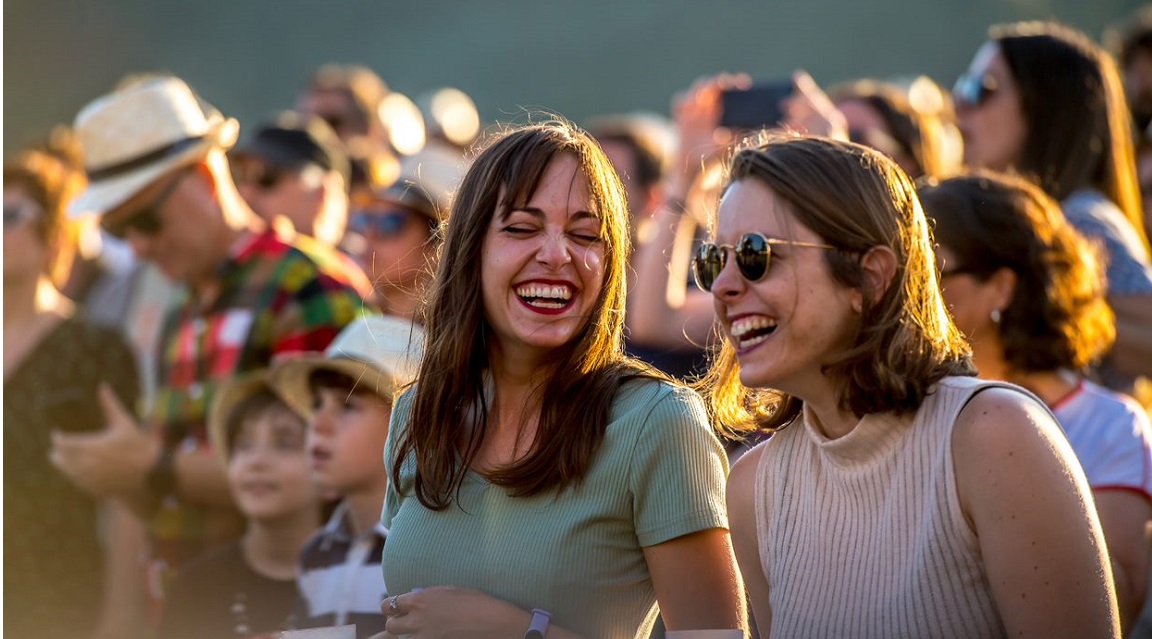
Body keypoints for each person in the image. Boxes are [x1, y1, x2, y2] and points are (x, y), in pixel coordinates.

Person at [706, 135, 1119, 637]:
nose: (723, 286)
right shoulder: (754, 489)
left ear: (870, 277)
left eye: (754, 254)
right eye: (713, 260)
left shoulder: (994, 438)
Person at [379, 121, 745, 638]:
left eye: (585, 234)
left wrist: (520, 632)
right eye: (522, 228)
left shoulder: (657, 423)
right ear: (470, 250)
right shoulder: (418, 412)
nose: (557, 255)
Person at [48, 75, 369, 602]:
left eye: (145, 220)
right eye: (118, 230)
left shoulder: (309, 287)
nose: (139, 246)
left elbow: (322, 475)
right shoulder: (182, 306)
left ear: (205, 175)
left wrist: (149, 468)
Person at [920, 171, 1152, 632]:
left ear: (1001, 287)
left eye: (934, 271)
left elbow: (1115, 605)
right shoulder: (909, 410)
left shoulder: (1108, 425)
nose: (915, 292)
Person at [953, 20, 1152, 389]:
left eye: (982, 89)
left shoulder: (1079, 219)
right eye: (962, 86)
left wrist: (1054, 307)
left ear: (1045, 104)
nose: (959, 105)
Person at [5, 146, 144, 639]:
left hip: (60, 594)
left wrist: (121, 618)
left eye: (9, 215)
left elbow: (127, 498)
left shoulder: (95, 348)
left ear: (53, 236)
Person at [271, 314, 425, 639]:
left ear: (408, 429)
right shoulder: (316, 553)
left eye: (347, 406)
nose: (318, 423)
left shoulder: (426, 554)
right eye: (316, 405)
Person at [159, 370, 320, 639]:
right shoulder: (193, 588)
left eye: (284, 443)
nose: (257, 461)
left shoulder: (361, 581)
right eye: (244, 445)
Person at [345, 145, 467, 320]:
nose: (369, 233)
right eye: (365, 218)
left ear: (439, 244)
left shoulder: (464, 340)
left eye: (389, 222)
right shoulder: (346, 320)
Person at [230, 111, 353, 250]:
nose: (246, 192)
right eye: (240, 175)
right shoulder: (224, 264)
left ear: (324, 192)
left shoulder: (363, 268)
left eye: (266, 177)